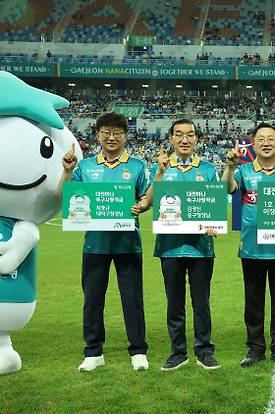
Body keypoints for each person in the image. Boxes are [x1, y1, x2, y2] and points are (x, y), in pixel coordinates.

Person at [59, 112, 149, 372]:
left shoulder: (137, 166)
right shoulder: (84, 167)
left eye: (117, 133)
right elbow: (66, 198)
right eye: (106, 132)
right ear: (97, 135)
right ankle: (93, 352)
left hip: (128, 243)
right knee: (93, 299)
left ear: (125, 136)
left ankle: (138, 350)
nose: (112, 137)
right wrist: (67, 172)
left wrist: (140, 206)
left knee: (132, 299)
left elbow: (146, 198)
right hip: (95, 245)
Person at [143, 119, 220, 371]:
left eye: (190, 135)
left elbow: (215, 205)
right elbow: (150, 201)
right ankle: (178, 352)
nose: (185, 139)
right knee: (174, 302)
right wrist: (160, 174)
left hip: (201, 248)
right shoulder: (162, 167)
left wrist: (214, 224)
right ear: (172, 139)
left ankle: (204, 350)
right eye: (179, 135)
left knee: (201, 303)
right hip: (170, 246)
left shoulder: (208, 169)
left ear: (197, 138)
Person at [222, 123, 275, 367]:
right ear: (253, 144)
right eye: (261, 139)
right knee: (253, 302)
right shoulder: (244, 172)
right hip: (251, 249)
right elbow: (227, 188)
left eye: (271, 139)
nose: (266, 143)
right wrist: (230, 166)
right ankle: (255, 348)